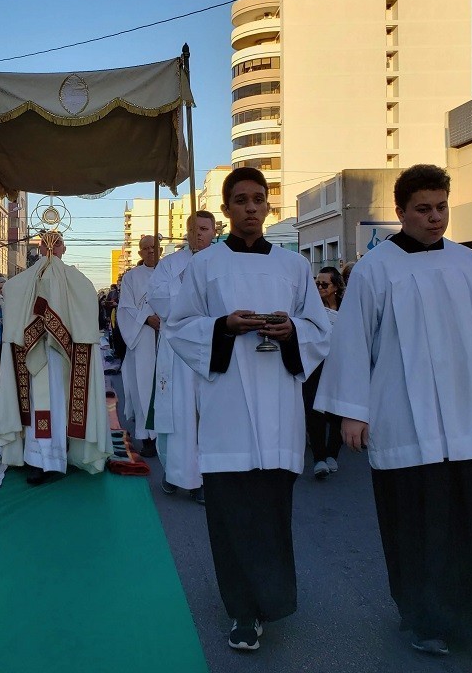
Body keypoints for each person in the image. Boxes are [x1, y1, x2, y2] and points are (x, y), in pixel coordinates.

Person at [314, 165, 472, 654]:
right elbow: (352, 341)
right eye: (424, 209)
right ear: (400, 212)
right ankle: (426, 620)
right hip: (407, 422)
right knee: (420, 526)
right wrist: (352, 411)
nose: (436, 218)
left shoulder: (470, 264)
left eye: (441, 207)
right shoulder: (375, 269)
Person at [167, 168, 331, 652]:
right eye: (240, 200)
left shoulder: (293, 266)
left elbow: (320, 330)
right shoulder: (205, 265)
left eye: (259, 199)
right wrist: (223, 326)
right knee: (231, 515)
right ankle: (241, 610)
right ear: (226, 210)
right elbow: (180, 327)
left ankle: (271, 600)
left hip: (279, 406)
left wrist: (292, 331)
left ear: (267, 206)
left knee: (272, 513)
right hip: (228, 408)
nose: (251, 208)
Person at [0, 234, 111, 485]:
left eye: (56, 243)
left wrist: (57, 326)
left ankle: (60, 455)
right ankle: (37, 460)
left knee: (62, 403)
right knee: (38, 404)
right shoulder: (25, 280)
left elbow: (85, 312)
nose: (51, 248)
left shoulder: (77, 281)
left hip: (62, 356)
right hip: (35, 353)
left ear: (64, 248)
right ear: (39, 248)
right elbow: (11, 292)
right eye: (46, 243)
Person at [148, 212, 217, 503]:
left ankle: (204, 478)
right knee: (178, 413)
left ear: (214, 231)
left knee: (208, 414)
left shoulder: (222, 261)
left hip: (211, 346)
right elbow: (157, 298)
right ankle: (175, 471)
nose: (197, 233)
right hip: (177, 349)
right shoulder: (170, 265)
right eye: (192, 229)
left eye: (203, 228)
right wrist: (187, 283)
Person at [118, 235, 161, 457]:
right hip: (142, 337)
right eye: (146, 248)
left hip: (167, 337)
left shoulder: (171, 273)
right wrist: (147, 319)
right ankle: (147, 438)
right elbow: (125, 308)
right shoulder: (131, 277)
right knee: (144, 386)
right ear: (140, 253)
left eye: (154, 247)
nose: (151, 251)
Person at [303, 266, 345, 480]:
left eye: (324, 284)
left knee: (337, 410)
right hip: (315, 364)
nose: (319, 287)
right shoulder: (311, 308)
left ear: (335, 286)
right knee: (314, 409)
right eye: (317, 283)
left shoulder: (347, 308)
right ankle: (319, 458)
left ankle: (332, 454)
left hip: (339, 364)